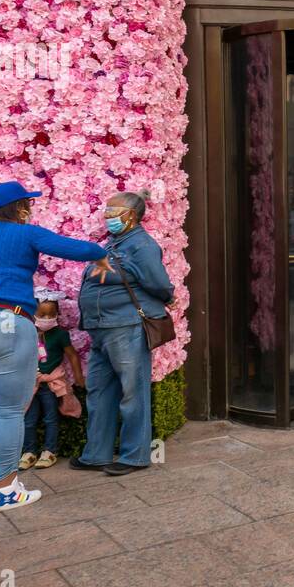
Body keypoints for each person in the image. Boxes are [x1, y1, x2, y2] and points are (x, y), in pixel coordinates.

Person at [0, 181, 110, 510]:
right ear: (19, 208)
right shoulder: (26, 233)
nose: (30, 210)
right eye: (27, 205)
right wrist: (101, 255)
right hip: (9, 323)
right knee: (9, 411)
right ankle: (6, 488)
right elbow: (75, 248)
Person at [75, 191, 174, 475]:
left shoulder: (142, 245)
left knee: (132, 393)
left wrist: (169, 296)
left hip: (125, 326)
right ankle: (96, 454)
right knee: (99, 392)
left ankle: (135, 456)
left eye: (113, 212)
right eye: (106, 212)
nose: (107, 217)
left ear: (131, 215)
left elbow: (158, 282)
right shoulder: (113, 242)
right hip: (100, 327)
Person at [20, 297, 84, 470]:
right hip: (31, 383)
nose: (46, 318)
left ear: (57, 315)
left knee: (50, 418)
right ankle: (29, 452)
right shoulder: (28, 332)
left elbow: (72, 355)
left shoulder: (60, 335)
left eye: (51, 314)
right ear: (34, 313)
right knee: (29, 419)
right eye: (42, 314)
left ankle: (50, 451)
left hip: (50, 384)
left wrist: (79, 377)